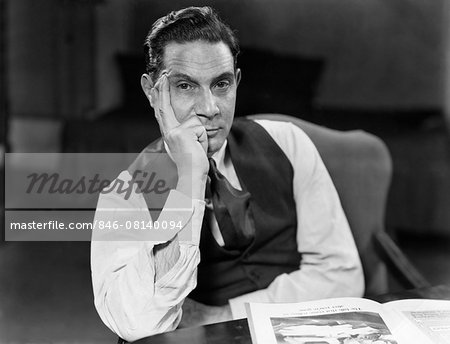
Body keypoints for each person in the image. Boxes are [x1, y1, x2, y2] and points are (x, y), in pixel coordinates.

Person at [91, 6, 364, 342]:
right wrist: (190, 177)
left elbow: (344, 276)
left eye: (220, 84)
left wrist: (224, 315)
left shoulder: (288, 143)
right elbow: (136, 323)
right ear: (152, 92)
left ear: (236, 82)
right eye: (186, 86)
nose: (210, 108)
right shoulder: (126, 192)